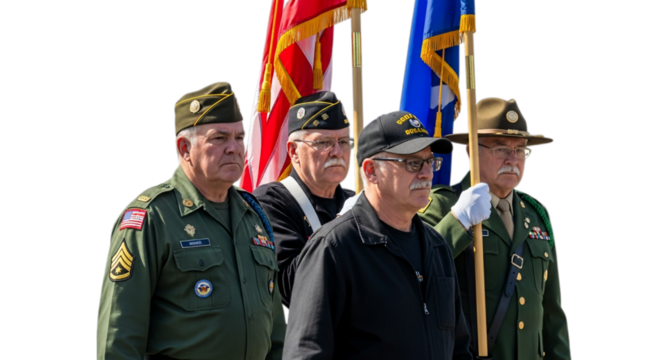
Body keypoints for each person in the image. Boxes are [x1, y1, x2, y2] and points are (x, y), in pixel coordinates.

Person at [96, 81, 286, 360]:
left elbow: (276, 335)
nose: (234, 148)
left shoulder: (254, 216)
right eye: (219, 138)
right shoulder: (152, 218)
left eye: (240, 138)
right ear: (184, 148)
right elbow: (119, 334)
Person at [282, 110, 471, 360]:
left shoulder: (437, 247)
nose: (427, 174)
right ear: (371, 171)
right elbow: (306, 353)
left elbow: (458, 349)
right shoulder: (335, 249)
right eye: (413, 163)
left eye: (429, 162)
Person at [417, 97, 571, 360]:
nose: (513, 159)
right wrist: (458, 221)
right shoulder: (444, 206)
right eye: (500, 148)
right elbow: (417, 270)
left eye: (520, 150)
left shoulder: (536, 215)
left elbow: (552, 313)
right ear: (470, 150)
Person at [253, 91, 354, 307]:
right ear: (294, 152)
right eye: (323, 142)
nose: (337, 152)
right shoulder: (271, 202)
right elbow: (288, 285)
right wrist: (345, 227)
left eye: (344, 142)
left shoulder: (353, 200)